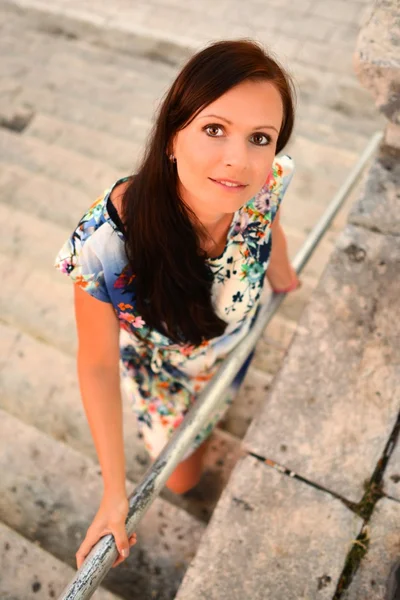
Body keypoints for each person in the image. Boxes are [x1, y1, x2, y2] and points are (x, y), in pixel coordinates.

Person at [54, 39, 301, 570]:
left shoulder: (266, 180)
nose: (240, 159)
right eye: (215, 129)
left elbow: (269, 219)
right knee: (186, 481)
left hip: (233, 347)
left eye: (261, 137)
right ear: (172, 135)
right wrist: (114, 493)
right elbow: (95, 362)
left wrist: (282, 272)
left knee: (225, 401)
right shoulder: (106, 244)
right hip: (167, 377)